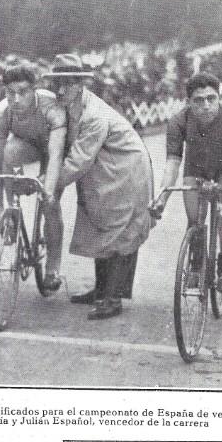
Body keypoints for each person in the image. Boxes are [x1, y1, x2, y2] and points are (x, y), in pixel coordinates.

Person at [45, 53, 154, 321]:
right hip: (105, 170)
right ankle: (101, 290)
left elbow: (79, 161)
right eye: (57, 84)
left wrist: (48, 184)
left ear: (81, 84)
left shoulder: (93, 115)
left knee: (118, 231)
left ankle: (112, 298)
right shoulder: (70, 108)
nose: (61, 90)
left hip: (125, 171)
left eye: (68, 83)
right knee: (97, 225)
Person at [150, 72, 222, 294]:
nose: (206, 105)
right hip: (195, 170)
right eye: (199, 100)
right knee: (195, 220)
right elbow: (172, 164)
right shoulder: (178, 121)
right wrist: (161, 198)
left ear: (219, 97)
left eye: (211, 98)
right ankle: (195, 263)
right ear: (188, 102)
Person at [0, 62, 68, 290]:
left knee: (50, 205)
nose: (16, 99)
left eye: (22, 92)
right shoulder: (0, 115)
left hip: (53, 148)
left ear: (35, 89)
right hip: (27, 144)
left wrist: (49, 188)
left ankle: (53, 267)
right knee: (8, 154)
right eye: (10, 93)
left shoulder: (52, 108)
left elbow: (55, 154)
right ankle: (13, 216)